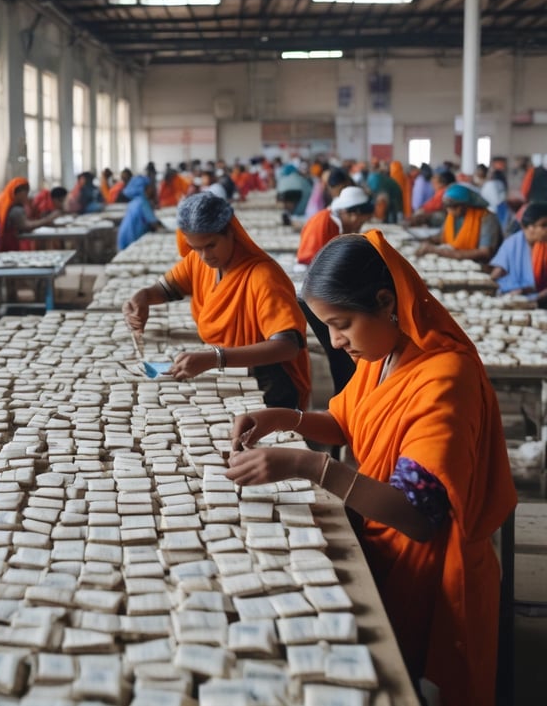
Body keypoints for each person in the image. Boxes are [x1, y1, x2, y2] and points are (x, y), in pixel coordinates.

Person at [227, 230, 516, 706]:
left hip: (431, 576)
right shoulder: (384, 353)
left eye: (341, 325)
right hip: (381, 540)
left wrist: (309, 465)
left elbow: (418, 516)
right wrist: (282, 417)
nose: (336, 343)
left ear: (386, 301)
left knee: (413, 685)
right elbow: (348, 421)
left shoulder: (445, 377)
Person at [122, 192, 311, 409]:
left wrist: (215, 358)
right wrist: (143, 297)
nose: (204, 255)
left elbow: (287, 346)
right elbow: (165, 288)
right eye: (195, 248)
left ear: (231, 233)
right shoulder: (199, 262)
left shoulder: (262, 277)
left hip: (271, 381)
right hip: (233, 370)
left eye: (210, 245)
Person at [296, 186, 374, 395]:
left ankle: (346, 395)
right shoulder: (324, 223)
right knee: (340, 350)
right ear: (352, 213)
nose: (360, 225)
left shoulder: (333, 221)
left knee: (341, 349)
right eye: (361, 220)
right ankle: (345, 396)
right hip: (315, 294)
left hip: (323, 292)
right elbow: (315, 263)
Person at [416, 182, 501, 263]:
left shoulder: (486, 217)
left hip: (480, 265)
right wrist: (423, 240)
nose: (450, 212)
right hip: (455, 259)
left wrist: (436, 250)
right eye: (448, 208)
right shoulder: (453, 216)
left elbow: (485, 252)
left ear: (465, 205)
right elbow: (442, 236)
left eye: (454, 207)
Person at [489, 202, 547, 305]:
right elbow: (496, 274)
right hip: (513, 298)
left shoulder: (544, 246)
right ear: (530, 227)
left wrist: (533, 297)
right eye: (543, 225)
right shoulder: (512, 243)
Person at [0, 177, 62, 251]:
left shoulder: (3, 202)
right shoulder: (14, 209)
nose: (27, 195)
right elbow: (26, 225)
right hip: (7, 245)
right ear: (17, 192)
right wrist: (49, 219)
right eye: (25, 192)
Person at [116, 175, 163, 251]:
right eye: (149, 187)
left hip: (124, 238)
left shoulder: (135, 201)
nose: (151, 189)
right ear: (143, 188)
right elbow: (153, 223)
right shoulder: (143, 202)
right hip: (131, 239)